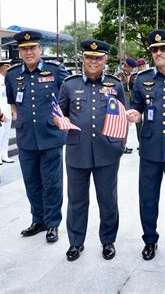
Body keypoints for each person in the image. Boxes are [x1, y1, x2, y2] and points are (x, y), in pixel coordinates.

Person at [57, 39, 126, 262]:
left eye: (97, 58)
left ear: (105, 60)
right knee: (76, 200)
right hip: (77, 151)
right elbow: (59, 113)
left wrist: (120, 145)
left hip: (107, 151)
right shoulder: (69, 84)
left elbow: (123, 116)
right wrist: (59, 121)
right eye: (88, 57)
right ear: (83, 59)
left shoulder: (115, 85)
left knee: (107, 199)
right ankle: (76, 243)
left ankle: (108, 241)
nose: (92, 61)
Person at [126, 30, 165, 263]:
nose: (158, 53)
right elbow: (137, 107)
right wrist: (134, 114)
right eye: (155, 50)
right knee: (148, 198)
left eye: (163, 49)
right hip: (151, 149)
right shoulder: (143, 79)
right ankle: (150, 240)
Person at [5, 31, 68, 243]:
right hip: (26, 138)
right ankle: (38, 220)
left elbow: (67, 97)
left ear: (40, 49)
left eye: (32, 48)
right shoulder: (13, 75)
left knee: (52, 183)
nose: (28, 52)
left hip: (50, 135)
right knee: (32, 182)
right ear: (19, 52)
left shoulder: (55, 70)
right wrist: (19, 117)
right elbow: (13, 102)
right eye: (24, 49)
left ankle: (52, 224)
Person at [0, 60, 14, 164]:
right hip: (0, 112)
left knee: (6, 135)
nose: (9, 69)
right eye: (7, 66)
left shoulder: (8, 80)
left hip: (8, 111)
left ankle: (5, 155)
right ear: (2, 68)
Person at [116, 57, 136, 154]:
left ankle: (124, 145)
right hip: (121, 105)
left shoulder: (129, 76)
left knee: (126, 126)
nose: (132, 70)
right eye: (131, 68)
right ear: (126, 67)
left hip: (127, 103)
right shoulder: (119, 76)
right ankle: (121, 146)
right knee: (122, 126)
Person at [129, 58, 147, 147]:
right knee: (138, 124)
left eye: (143, 66)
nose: (142, 68)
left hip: (149, 101)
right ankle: (141, 143)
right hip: (137, 101)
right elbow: (131, 90)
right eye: (140, 66)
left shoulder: (149, 75)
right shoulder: (134, 76)